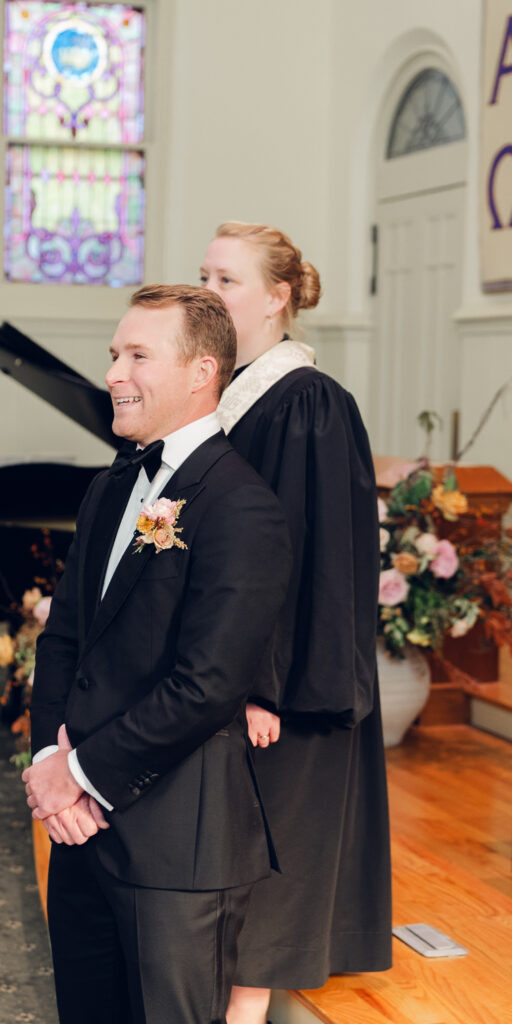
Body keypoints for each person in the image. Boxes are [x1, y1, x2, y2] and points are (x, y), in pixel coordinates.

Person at [22, 284, 292, 1024]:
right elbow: (66, 639)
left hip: (177, 849)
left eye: (138, 355)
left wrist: (73, 775)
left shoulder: (243, 507)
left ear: (202, 371)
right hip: (81, 834)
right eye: (114, 354)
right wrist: (47, 754)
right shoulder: (112, 487)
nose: (114, 372)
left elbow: (207, 686)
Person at [200, 221, 392, 1024]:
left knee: (278, 846)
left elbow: (300, 559)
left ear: (279, 298)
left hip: (286, 679)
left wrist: (265, 686)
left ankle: (246, 1013)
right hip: (240, 664)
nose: (206, 293)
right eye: (202, 276)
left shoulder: (305, 401)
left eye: (227, 282)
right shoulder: (236, 393)